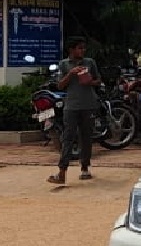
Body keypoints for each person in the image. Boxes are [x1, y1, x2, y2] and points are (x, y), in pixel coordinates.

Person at [47, 36, 101, 185]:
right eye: (79, 48)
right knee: (68, 137)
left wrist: (90, 81)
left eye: (84, 48)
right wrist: (71, 73)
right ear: (71, 50)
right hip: (71, 106)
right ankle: (62, 171)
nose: (83, 51)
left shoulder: (90, 62)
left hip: (88, 104)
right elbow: (60, 85)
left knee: (86, 137)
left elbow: (98, 80)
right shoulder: (64, 64)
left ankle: (85, 167)